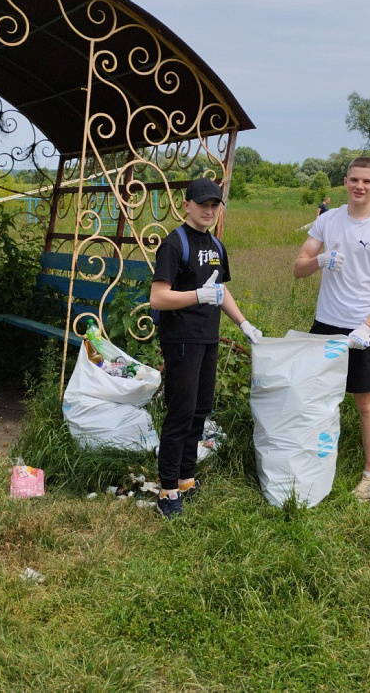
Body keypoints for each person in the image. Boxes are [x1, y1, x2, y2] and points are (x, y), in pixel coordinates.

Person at [150, 177, 263, 518]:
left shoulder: (216, 246)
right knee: (180, 412)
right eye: (202, 204)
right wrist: (197, 295)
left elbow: (221, 290)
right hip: (181, 339)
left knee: (200, 410)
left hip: (208, 338)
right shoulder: (174, 245)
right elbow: (158, 296)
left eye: (215, 205)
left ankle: (186, 478)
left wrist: (243, 323)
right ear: (186, 205)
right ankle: (167, 490)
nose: (209, 211)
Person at [293, 156, 370, 502]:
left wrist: (367, 327)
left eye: (367, 182)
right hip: (326, 323)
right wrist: (319, 261)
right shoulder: (327, 220)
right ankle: (315, 460)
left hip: (361, 330)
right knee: (317, 398)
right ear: (345, 181)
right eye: (354, 179)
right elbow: (298, 268)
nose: (360, 186)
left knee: (365, 402)